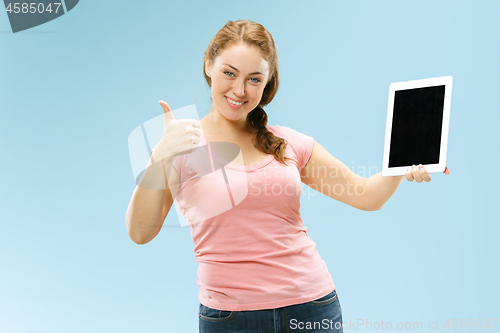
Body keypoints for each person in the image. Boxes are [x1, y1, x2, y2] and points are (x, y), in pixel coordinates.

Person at [125, 19, 451, 333]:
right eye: (229, 73)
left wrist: (400, 168)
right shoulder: (179, 144)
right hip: (230, 319)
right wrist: (160, 156)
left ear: (268, 82)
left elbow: (366, 195)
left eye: (254, 79)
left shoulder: (288, 142)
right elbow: (140, 232)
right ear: (209, 64)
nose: (239, 89)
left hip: (313, 307)